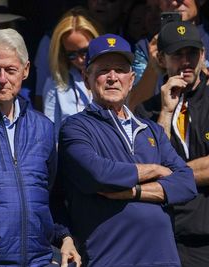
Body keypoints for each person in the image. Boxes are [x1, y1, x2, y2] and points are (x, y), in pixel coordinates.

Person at [57, 33, 197, 266]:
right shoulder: (75, 127)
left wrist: (134, 192)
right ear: (86, 77)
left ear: (131, 80)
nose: (113, 77)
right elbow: (99, 174)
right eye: (103, 70)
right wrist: (156, 169)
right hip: (112, 259)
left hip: (163, 260)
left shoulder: (151, 130)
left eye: (120, 70)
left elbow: (186, 183)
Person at [0, 28, 81, 267]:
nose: (2, 79)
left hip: (38, 260)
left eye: (10, 70)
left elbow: (51, 194)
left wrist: (65, 236)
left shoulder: (43, 127)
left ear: (26, 70)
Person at [135, 21, 209, 267]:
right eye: (178, 54)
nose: (186, 61)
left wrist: (172, 176)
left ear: (203, 55)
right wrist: (166, 112)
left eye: (192, 53)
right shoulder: (147, 111)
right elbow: (147, 168)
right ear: (161, 59)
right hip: (165, 236)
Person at [43, 7, 103, 141]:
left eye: (85, 51)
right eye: (71, 54)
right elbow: (51, 136)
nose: (80, 59)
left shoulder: (115, 77)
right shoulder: (55, 83)